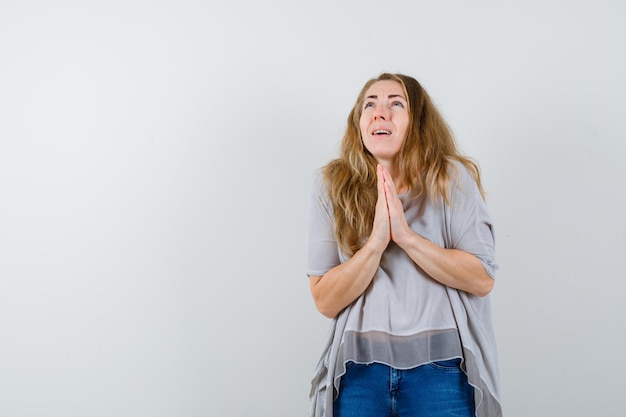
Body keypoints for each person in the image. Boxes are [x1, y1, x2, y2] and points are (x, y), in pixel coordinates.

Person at [306, 73, 502, 417]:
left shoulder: (451, 178)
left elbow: (482, 277)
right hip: (357, 373)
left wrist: (407, 237)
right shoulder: (331, 185)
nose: (380, 113)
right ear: (360, 122)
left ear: (418, 122)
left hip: (441, 369)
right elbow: (324, 299)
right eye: (370, 104)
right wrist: (376, 242)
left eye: (396, 103)